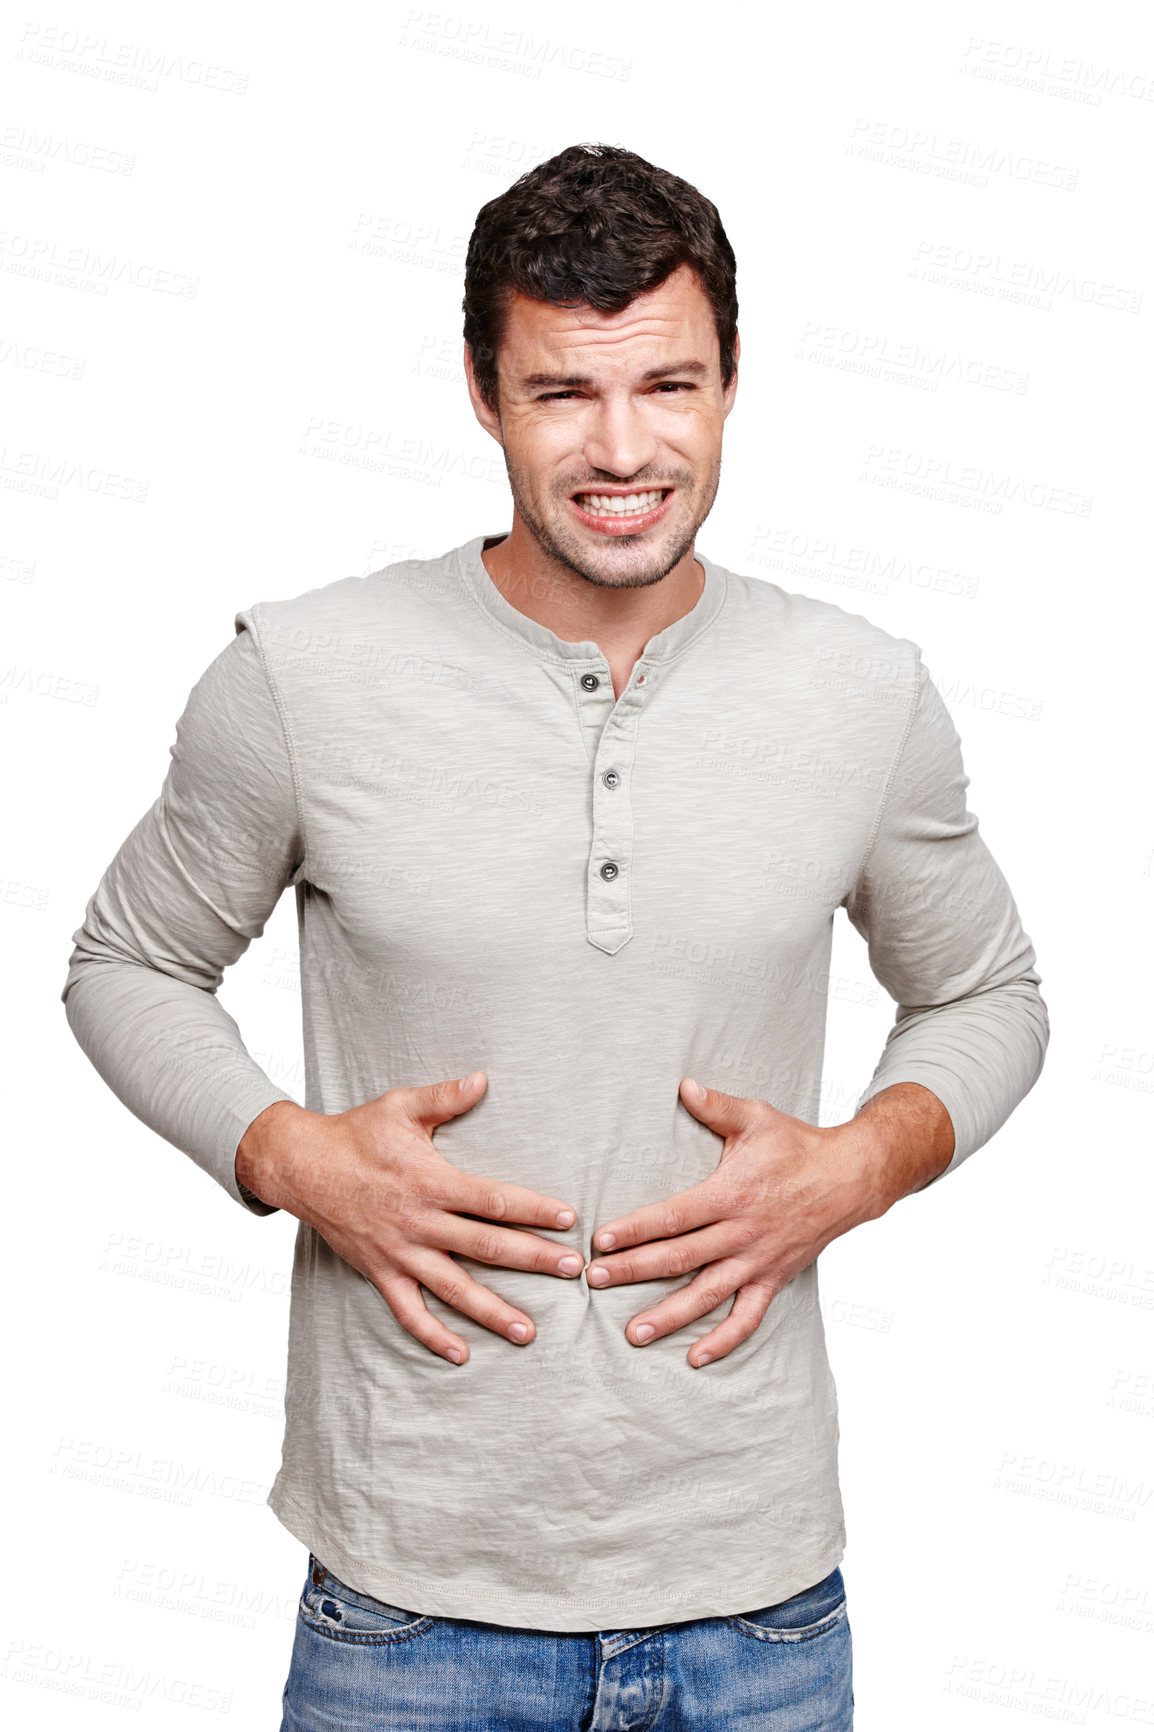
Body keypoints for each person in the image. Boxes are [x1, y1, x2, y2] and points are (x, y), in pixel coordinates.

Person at [61, 143, 1048, 1730]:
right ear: (478, 389)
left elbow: (987, 990)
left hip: (757, 1608)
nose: (621, 448)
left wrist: (860, 1163)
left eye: (668, 384)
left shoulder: (859, 692)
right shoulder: (305, 676)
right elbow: (125, 961)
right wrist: (287, 1153)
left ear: (731, 379)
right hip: (409, 1611)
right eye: (559, 394)